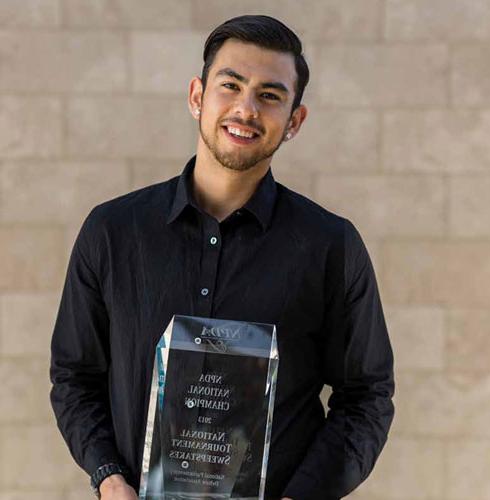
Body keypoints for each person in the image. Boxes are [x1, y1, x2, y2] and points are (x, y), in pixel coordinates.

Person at [50, 14, 395, 500]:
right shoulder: (111, 233)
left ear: (294, 120)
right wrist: (109, 478)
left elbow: (367, 398)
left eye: (270, 95)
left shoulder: (331, 247)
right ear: (197, 96)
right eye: (230, 85)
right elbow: (74, 377)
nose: (246, 108)